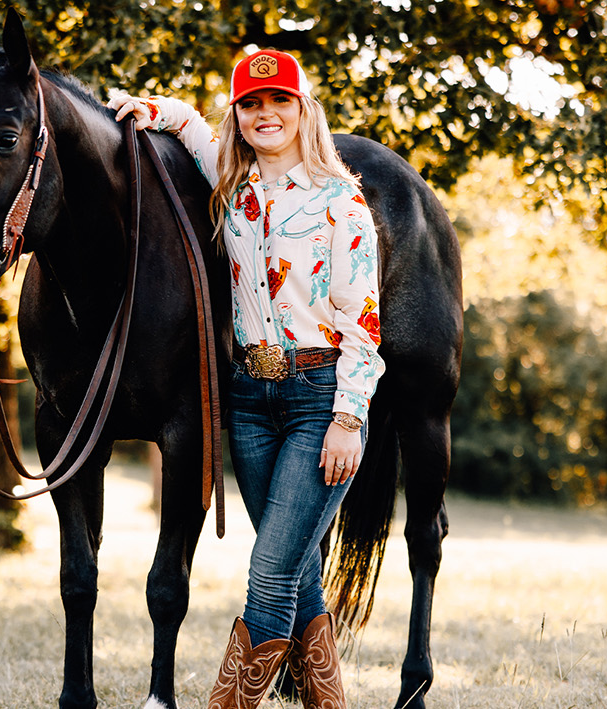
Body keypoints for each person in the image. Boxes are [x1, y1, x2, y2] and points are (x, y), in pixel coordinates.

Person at [109, 49, 385, 709]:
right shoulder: (232, 187)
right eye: (251, 104)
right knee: (296, 573)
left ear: (302, 109)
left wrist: (349, 418)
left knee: (268, 573)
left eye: (279, 101)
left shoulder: (340, 201)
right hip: (251, 403)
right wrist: (145, 110)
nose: (266, 114)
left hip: (321, 398)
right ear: (238, 114)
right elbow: (185, 124)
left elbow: (364, 321)